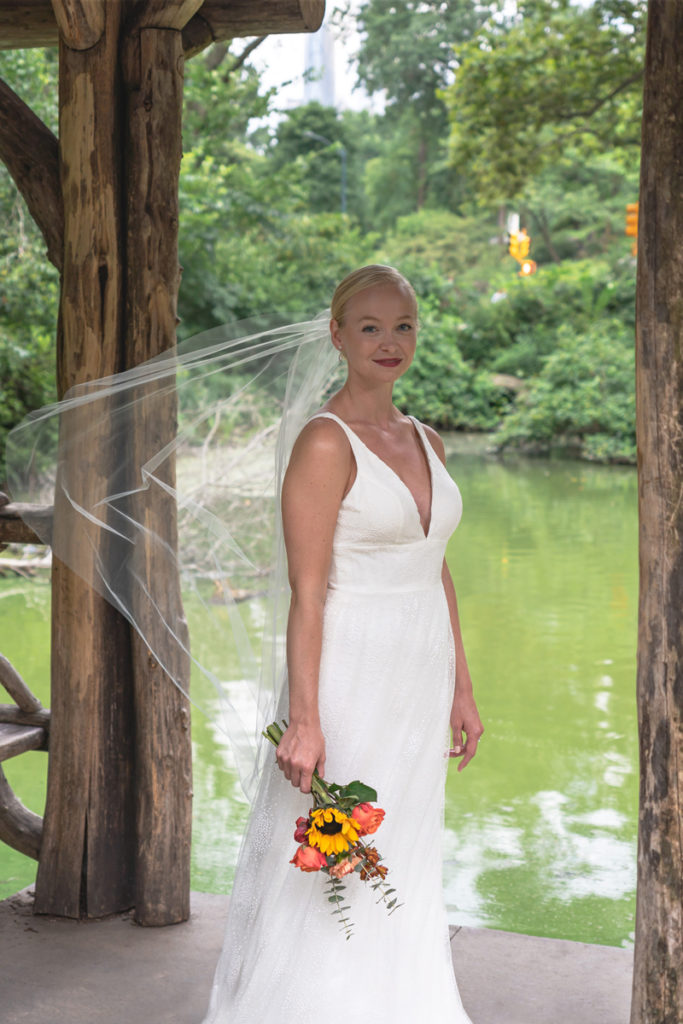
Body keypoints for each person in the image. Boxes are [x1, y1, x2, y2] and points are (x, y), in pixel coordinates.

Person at [201, 265, 483, 1024]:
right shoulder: (325, 445)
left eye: (403, 327)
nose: (389, 343)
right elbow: (307, 590)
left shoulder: (427, 440)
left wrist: (461, 685)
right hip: (351, 669)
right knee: (336, 851)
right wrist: (304, 717)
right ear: (336, 335)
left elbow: (437, 567)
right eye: (370, 327)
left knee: (408, 842)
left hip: (418, 672)